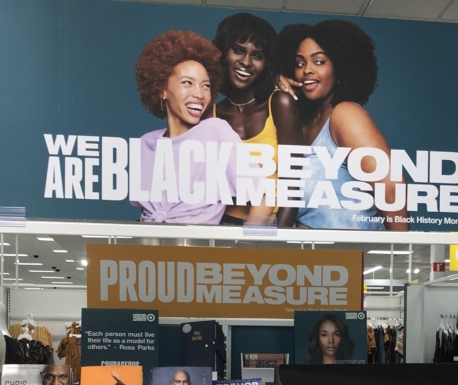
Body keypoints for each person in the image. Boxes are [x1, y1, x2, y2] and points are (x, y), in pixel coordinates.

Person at [276, 20, 408, 231]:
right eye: (299, 63)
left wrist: (400, 254)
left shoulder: (345, 115)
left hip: (357, 257)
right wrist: (274, 84)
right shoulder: (301, 122)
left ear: (340, 66)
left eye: (319, 61)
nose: (307, 70)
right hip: (316, 259)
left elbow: (391, 188)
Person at [133, 30, 270, 225]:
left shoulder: (215, 132)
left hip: (197, 250)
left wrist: (243, 249)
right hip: (148, 249)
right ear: (161, 89)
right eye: (187, 83)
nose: (199, 93)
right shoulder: (146, 143)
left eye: (205, 85)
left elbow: (264, 196)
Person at [211, 13, 304, 227]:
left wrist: (279, 238)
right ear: (223, 52)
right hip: (220, 223)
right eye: (238, 50)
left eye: (258, 55)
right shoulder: (211, 114)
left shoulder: (280, 104)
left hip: (269, 225)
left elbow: (294, 182)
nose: (246, 62)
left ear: (267, 62)